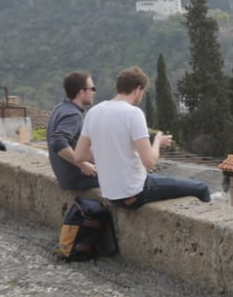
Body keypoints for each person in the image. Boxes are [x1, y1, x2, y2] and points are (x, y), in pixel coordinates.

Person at [73, 66, 209, 210]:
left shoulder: (94, 112)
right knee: (201, 188)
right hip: (135, 192)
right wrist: (157, 142)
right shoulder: (133, 114)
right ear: (138, 89)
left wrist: (107, 147)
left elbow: (79, 156)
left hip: (110, 194)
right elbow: (149, 162)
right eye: (142, 92)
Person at [47, 71, 100, 194]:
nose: (94, 92)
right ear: (81, 92)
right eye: (92, 88)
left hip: (67, 177)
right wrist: (82, 165)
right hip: (78, 178)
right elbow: (57, 141)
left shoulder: (59, 108)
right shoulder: (73, 115)